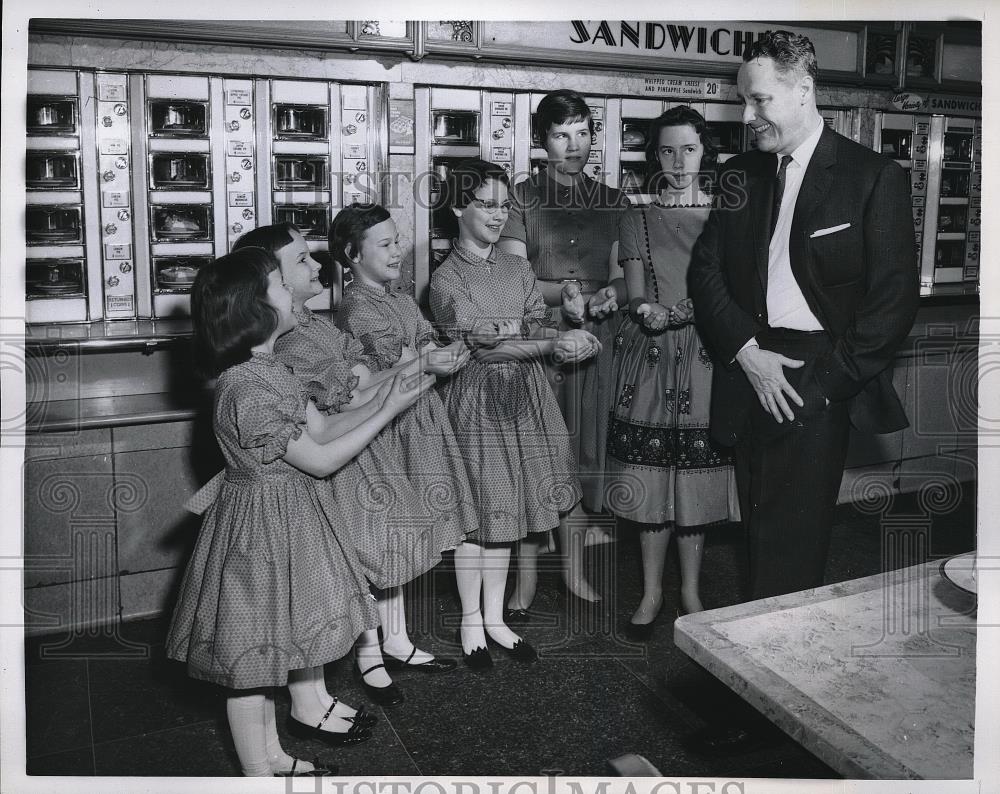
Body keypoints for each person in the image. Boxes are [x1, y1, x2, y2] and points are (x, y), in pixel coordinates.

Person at [166, 247, 431, 776]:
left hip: (287, 517)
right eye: (281, 287)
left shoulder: (271, 368)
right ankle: (257, 774)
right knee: (250, 664)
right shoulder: (245, 386)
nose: (294, 291)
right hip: (258, 532)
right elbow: (322, 459)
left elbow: (324, 428)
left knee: (274, 650)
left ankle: (273, 756)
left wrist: (384, 399)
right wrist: (393, 408)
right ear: (255, 311)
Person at [689, 30, 918, 600]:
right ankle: (753, 667)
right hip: (750, 370)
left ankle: (779, 672)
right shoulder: (741, 174)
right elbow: (705, 273)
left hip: (816, 377)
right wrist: (747, 353)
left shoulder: (872, 177)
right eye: (743, 100)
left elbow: (891, 304)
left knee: (792, 548)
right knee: (758, 537)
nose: (747, 115)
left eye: (759, 99)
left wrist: (822, 386)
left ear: (804, 90)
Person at [233, 224, 462, 708]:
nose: (317, 265)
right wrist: (414, 370)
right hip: (339, 456)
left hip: (360, 441)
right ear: (265, 280)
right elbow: (349, 395)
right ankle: (368, 656)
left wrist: (417, 366)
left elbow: (361, 381)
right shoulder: (283, 347)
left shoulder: (313, 323)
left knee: (391, 545)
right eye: (300, 261)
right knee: (363, 558)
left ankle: (392, 643)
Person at [430, 158, 601, 667]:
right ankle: (469, 622)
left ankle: (496, 620)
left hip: (525, 401)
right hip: (476, 404)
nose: (498, 215)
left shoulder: (517, 267)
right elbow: (483, 349)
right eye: (486, 204)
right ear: (459, 207)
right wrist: (551, 346)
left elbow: (533, 324)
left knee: (507, 511)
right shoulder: (445, 279)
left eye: (504, 205)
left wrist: (567, 340)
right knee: (477, 516)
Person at [604, 107, 740, 640]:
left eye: (688, 149)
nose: (678, 161)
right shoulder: (636, 217)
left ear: (704, 152)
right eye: (666, 150)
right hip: (651, 359)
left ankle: (690, 590)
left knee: (695, 483)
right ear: (653, 156)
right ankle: (652, 591)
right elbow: (634, 291)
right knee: (650, 478)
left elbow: (730, 294)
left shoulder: (725, 216)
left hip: (706, 356)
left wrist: (679, 313)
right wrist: (644, 311)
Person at [498, 88, 631, 615]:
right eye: (560, 135)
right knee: (535, 457)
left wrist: (607, 295)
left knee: (579, 455)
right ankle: (525, 581)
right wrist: (565, 294)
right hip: (540, 341)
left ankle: (573, 570)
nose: (573, 145)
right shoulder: (521, 198)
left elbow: (625, 276)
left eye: (582, 133)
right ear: (540, 140)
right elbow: (512, 276)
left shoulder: (614, 201)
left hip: (594, 342)